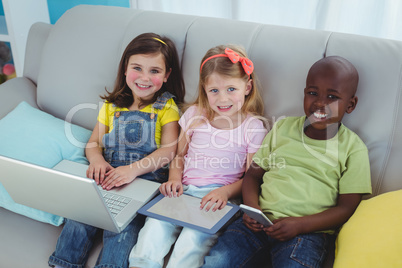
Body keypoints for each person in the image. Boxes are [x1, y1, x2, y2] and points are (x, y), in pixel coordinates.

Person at [202, 56, 372, 268]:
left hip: (306, 234)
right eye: (312, 93)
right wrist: (252, 209)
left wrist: (300, 225)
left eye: (332, 97)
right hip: (257, 225)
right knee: (217, 262)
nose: (320, 103)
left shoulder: (353, 148)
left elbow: (347, 208)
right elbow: (253, 176)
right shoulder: (283, 128)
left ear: (351, 104)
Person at [48, 32, 185, 268]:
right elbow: (93, 143)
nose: (144, 77)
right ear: (124, 69)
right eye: (137, 68)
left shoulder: (167, 107)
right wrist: (97, 161)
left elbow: (168, 152)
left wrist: (132, 171)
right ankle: (63, 263)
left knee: (123, 231)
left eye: (154, 71)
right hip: (106, 178)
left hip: (141, 183)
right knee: (78, 221)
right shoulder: (111, 105)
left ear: (166, 75)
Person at [128, 45, 268, 268]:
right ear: (204, 89)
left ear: (247, 87)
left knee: (190, 244)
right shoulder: (195, 115)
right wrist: (173, 178)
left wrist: (224, 192)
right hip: (183, 191)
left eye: (231, 89)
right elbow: (179, 155)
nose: (223, 98)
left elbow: (252, 177)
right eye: (214, 91)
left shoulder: (254, 127)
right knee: (152, 232)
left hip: (218, 198)